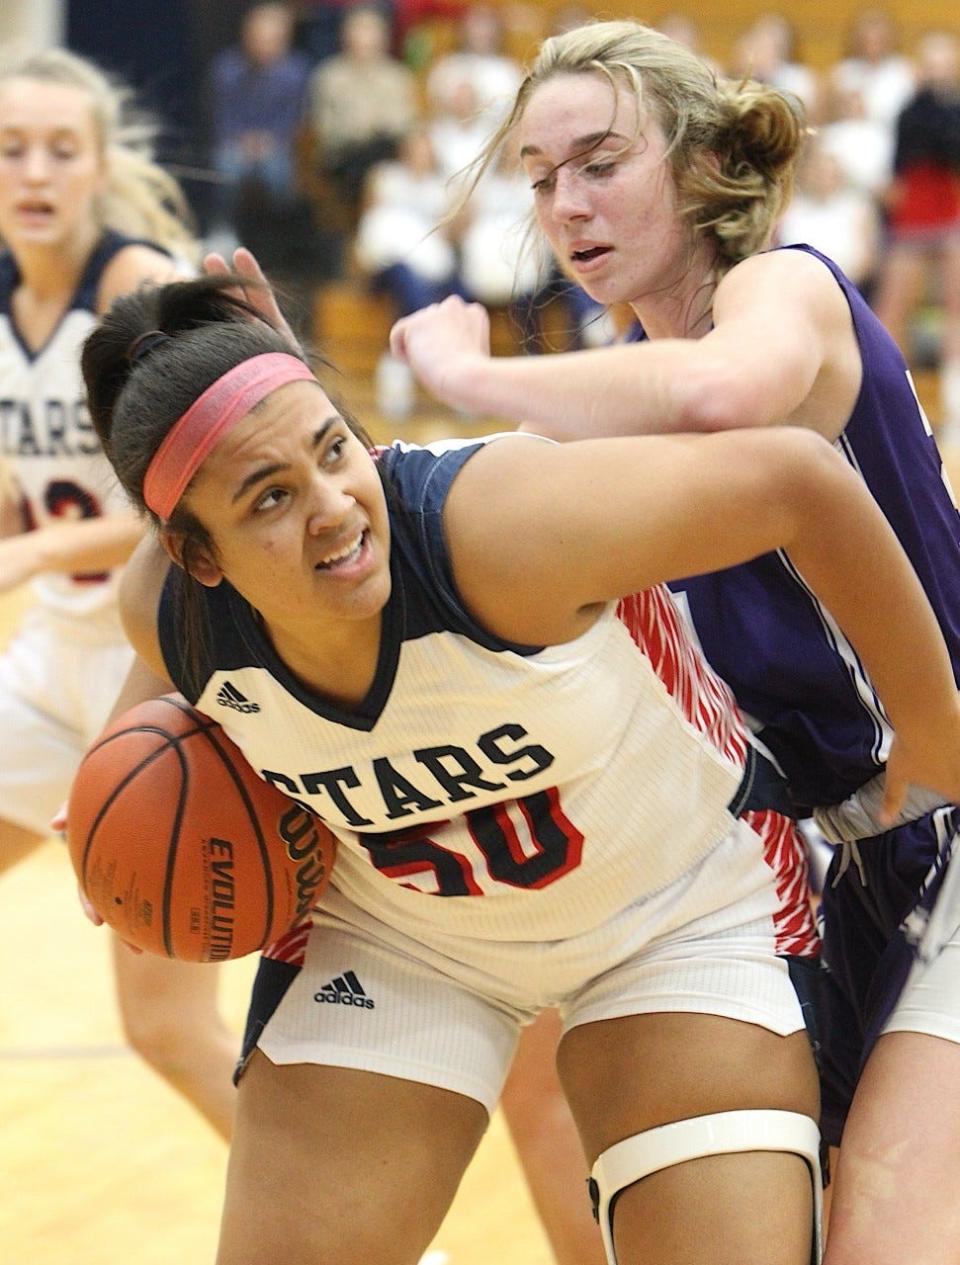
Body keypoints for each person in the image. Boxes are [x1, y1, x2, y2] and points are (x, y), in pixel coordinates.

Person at [79, 257, 960, 1265]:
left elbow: (800, 483)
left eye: (335, 449)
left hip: (677, 912)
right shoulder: (171, 613)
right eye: (271, 496)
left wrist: (932, 723)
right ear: (200, 559)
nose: (330, 507)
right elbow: (157, 694)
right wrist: (111, 830)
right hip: (406, 937)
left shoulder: (496, 527)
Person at [387, 19, 960, 1265]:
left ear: (699, 162)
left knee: (891, 1235)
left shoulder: (783, 290)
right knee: (556, 1088)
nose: (567, 203)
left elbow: (722, 394)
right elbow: (464, 531)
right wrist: (285, 413)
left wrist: (477, 377)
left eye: (601, 162)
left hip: (949, 808)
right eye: (542, 179)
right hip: (821, 862)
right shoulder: (610, 384)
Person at [0, 48, 237, 1139]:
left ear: (98, 166)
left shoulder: (130, 287)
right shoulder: (13, 308)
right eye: (11, 149)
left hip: (152, 673)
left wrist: (37, 553)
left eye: (60, 149)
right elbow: (26, 502)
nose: (35, 171)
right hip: (54, 660)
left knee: (167, 1030)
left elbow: (188, 493)